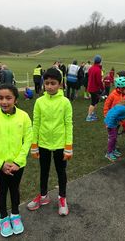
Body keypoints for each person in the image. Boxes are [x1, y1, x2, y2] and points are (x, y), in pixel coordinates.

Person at [0, 84, 33, 237]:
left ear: (15, 99)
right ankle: (4, 218)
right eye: (0, 98)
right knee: (2, 190)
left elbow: (28, 140)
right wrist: (0, 164)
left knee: (15, 189)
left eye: (8, 98)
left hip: (18, 165)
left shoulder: (23, 116)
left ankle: (15, 215)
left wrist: (18, 162)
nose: (4, 101)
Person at [27, 68, 73, 216]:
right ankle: (44, 196)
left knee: (61, 172)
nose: (50, 86)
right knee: (44, 171)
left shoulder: (65, 102)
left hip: (60, 144)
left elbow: (68, 124)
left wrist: (68, 146)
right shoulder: (39, 102)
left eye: (53, 83)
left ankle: (62, 198)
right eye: (47, 83)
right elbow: (36, 124)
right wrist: (34, 145)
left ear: (60, 84)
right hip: (43, 144)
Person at [104, 90, 125, 162]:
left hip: (114, 122)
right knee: (112, 138)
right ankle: (109, 153)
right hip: (111, 123)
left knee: (115, 137)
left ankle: (113, 150)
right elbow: (112, 114)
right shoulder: (123, 108)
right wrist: (109, 125)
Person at [85, 55, 104, 122]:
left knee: (96, 100)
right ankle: (89, 116)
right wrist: (102, 87)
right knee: (93, 102)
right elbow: (99, 81)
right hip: (94, 88)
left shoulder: (91, 68)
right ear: (100, 61)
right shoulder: (98, 70)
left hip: (90, 87)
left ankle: (92, 113)